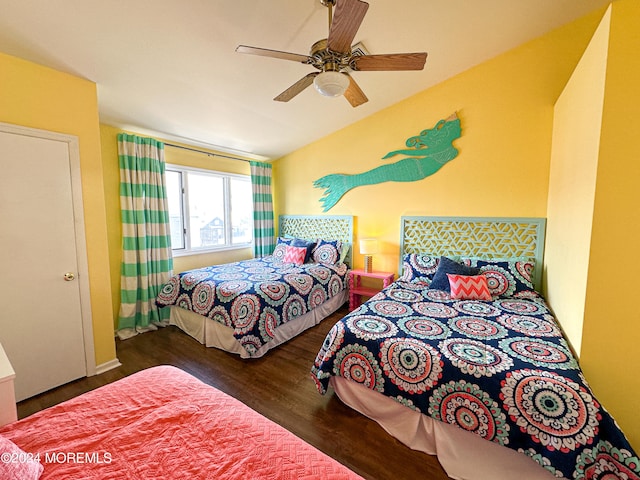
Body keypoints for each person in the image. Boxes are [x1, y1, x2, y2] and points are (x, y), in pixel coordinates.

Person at [314, 113, 461, 211]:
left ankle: (347, 182)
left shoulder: (448, 148)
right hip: (416, 168)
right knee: (382, 173)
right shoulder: (449, 149)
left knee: (383, 173)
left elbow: (421, 152)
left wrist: (398, 151)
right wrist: (399, 152)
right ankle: (347, 182)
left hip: (416, 169)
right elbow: (422, 152)